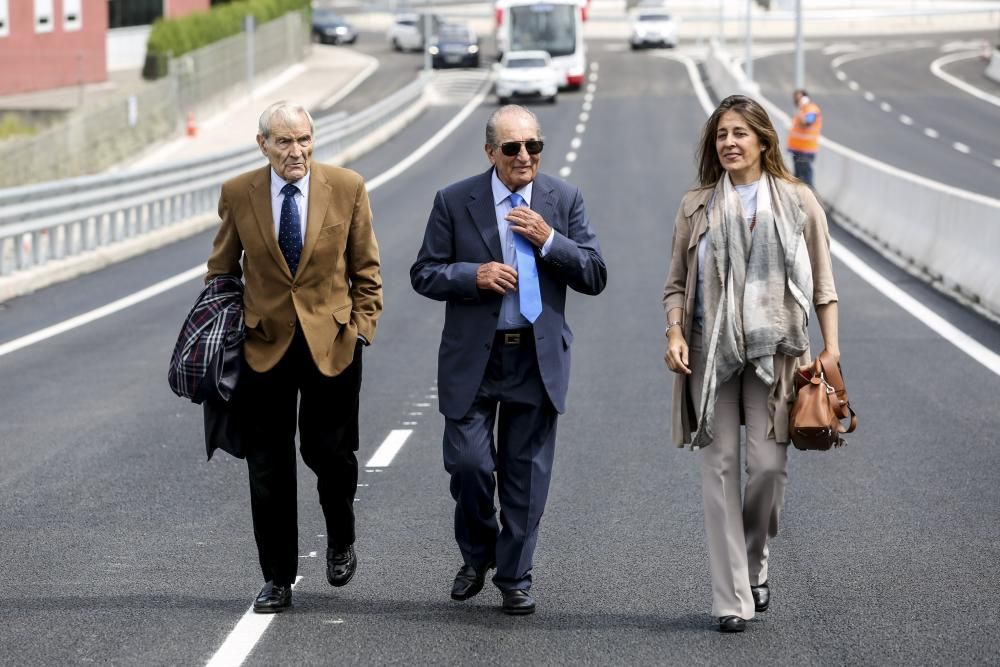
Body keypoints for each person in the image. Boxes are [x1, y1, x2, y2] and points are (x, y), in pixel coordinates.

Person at [410, 105, 607, 615]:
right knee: (471, 466)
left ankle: (515, 576)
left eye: (534, 146)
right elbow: (424, 272)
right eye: (513, 148)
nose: (525, 157)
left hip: (534, 362)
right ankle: (478, 554)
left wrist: (549, 240)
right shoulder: (455, 201)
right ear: (490, 152)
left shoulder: (563, 200)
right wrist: (471, 276)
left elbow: (594, 273)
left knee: (525, 479)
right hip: (474, 360)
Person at [662, 95, 840, 633]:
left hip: (778, 353)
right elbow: (674, 285)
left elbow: (824, 285)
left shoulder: (797, 201)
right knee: (718, 474)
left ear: (763, 140)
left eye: (740, 132)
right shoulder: (696, 205)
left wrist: (830, 350)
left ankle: (755, 562)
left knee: (766, 469)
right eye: (721, 134)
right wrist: (673, 331)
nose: (729, 142)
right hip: (710, 357)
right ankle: (731, 598)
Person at [206, 100, 383, 613]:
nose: (296, 151)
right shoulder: (239, 193)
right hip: (263, 347)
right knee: (268, 465)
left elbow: (366, 269)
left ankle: (341, 534)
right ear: (262, 144)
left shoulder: (346, 186)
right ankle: (277, 577)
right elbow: (221, 270)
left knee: (329, 454)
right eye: (284, 142)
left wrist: (361, 329)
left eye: (304, 139)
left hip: (332, 344)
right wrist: (226, 325)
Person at [787, 89, 823, 187]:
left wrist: (800, 111)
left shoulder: (811, 109)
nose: (796, 100)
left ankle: (810, 198)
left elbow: (807, 123)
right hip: (797, 150)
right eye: (795, 98)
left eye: (799, 98)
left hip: (806, 150)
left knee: (806, 179)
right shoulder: (802, 110)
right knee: (798, 177)